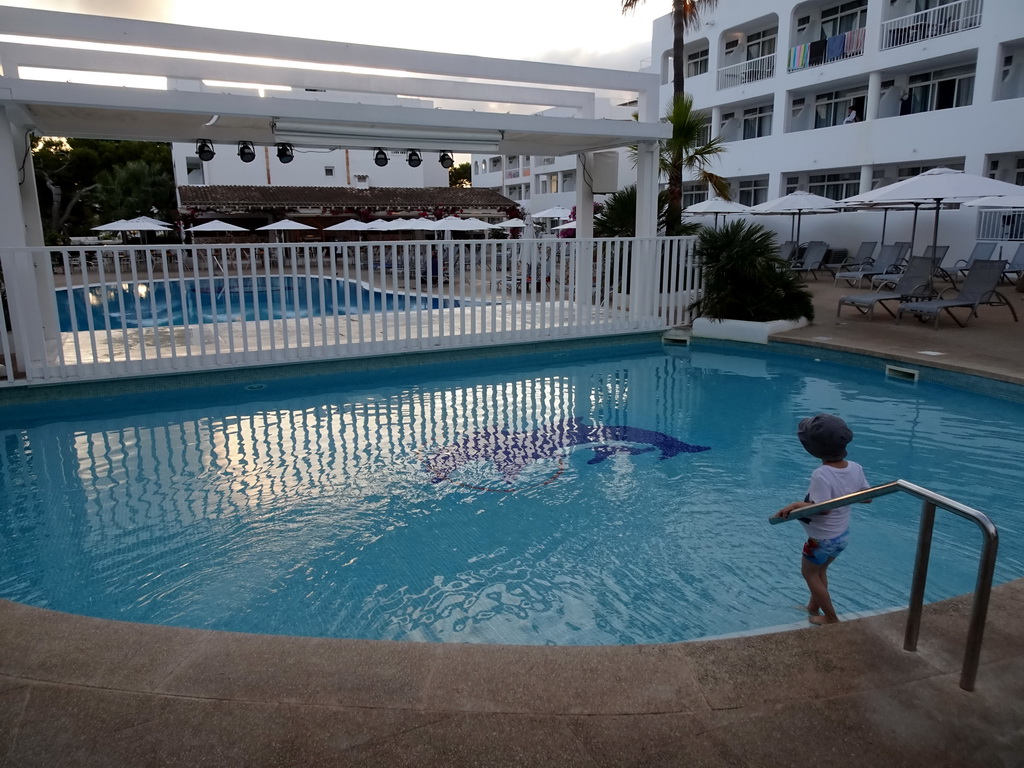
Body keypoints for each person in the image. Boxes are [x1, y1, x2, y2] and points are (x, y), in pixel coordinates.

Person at [775, 414, 870, 625]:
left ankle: (831, 617)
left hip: (821, 540)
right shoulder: (855, 468)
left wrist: (795, 505)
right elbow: (867, 497)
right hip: (841, 537)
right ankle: (813, 607)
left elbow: (822, 509)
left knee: (809, 574)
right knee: (820, 571)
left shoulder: (822, 474)